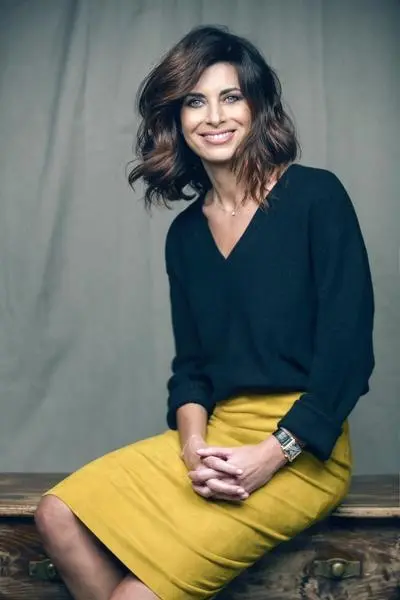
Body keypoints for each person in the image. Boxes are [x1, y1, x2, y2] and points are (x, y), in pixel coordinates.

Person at [34, 24, 375, 600]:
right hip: (213, 438)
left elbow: (348, 359)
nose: (214, 117)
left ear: (257, 106)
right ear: (177, 118)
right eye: (195, 101)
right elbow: (192, 368)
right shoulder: (186, 235)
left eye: (230, 97)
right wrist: (194, 449)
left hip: (303, 448)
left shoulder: (317, 197)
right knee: (57, 514)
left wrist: (272, 454)